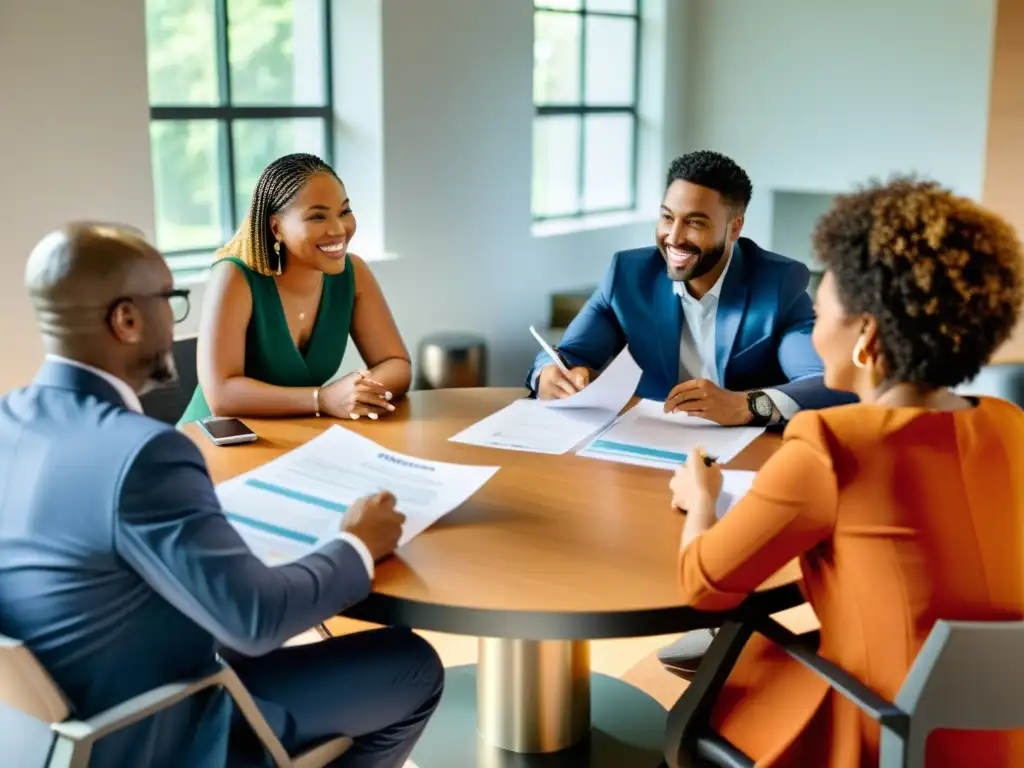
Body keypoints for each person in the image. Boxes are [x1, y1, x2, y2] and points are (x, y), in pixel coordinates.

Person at [0, 223, 443, 768]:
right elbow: (253, 620)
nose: (176, 317)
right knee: (410, 662)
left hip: (46, 733)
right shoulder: (143, 453)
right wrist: (355, 543)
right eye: (171, 300)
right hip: (156, 731)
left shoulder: (9, 421)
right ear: (127, 320)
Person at [669, 178, 1024, 766]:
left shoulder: (835, 445)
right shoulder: (1010, 424)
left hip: (882, 731)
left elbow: (703, 585)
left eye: (821, 305)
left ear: (866, 337)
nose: (811, 324)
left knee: (705, 685)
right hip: (1001, 735)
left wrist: (701, 498)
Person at [527, 150, 854, 427]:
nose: (674, 237)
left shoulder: (777, 285)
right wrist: (547, 374)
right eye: (668, 217)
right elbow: (568, 356)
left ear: (734, 228)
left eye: (695, 222)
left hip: (740, 458)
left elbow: (827, 383)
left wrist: (745, 405)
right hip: (645, 445)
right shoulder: (628, 275)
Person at [179, 153, 411, 425]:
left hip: (294, 436)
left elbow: (397, 364)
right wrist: (321, 399)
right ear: (276, 227)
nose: (339, 229)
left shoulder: (354, 273)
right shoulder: (234, 276)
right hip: (213, 442)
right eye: (317, 217)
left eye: (344, 212)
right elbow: (221, 397)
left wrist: (355, 391)